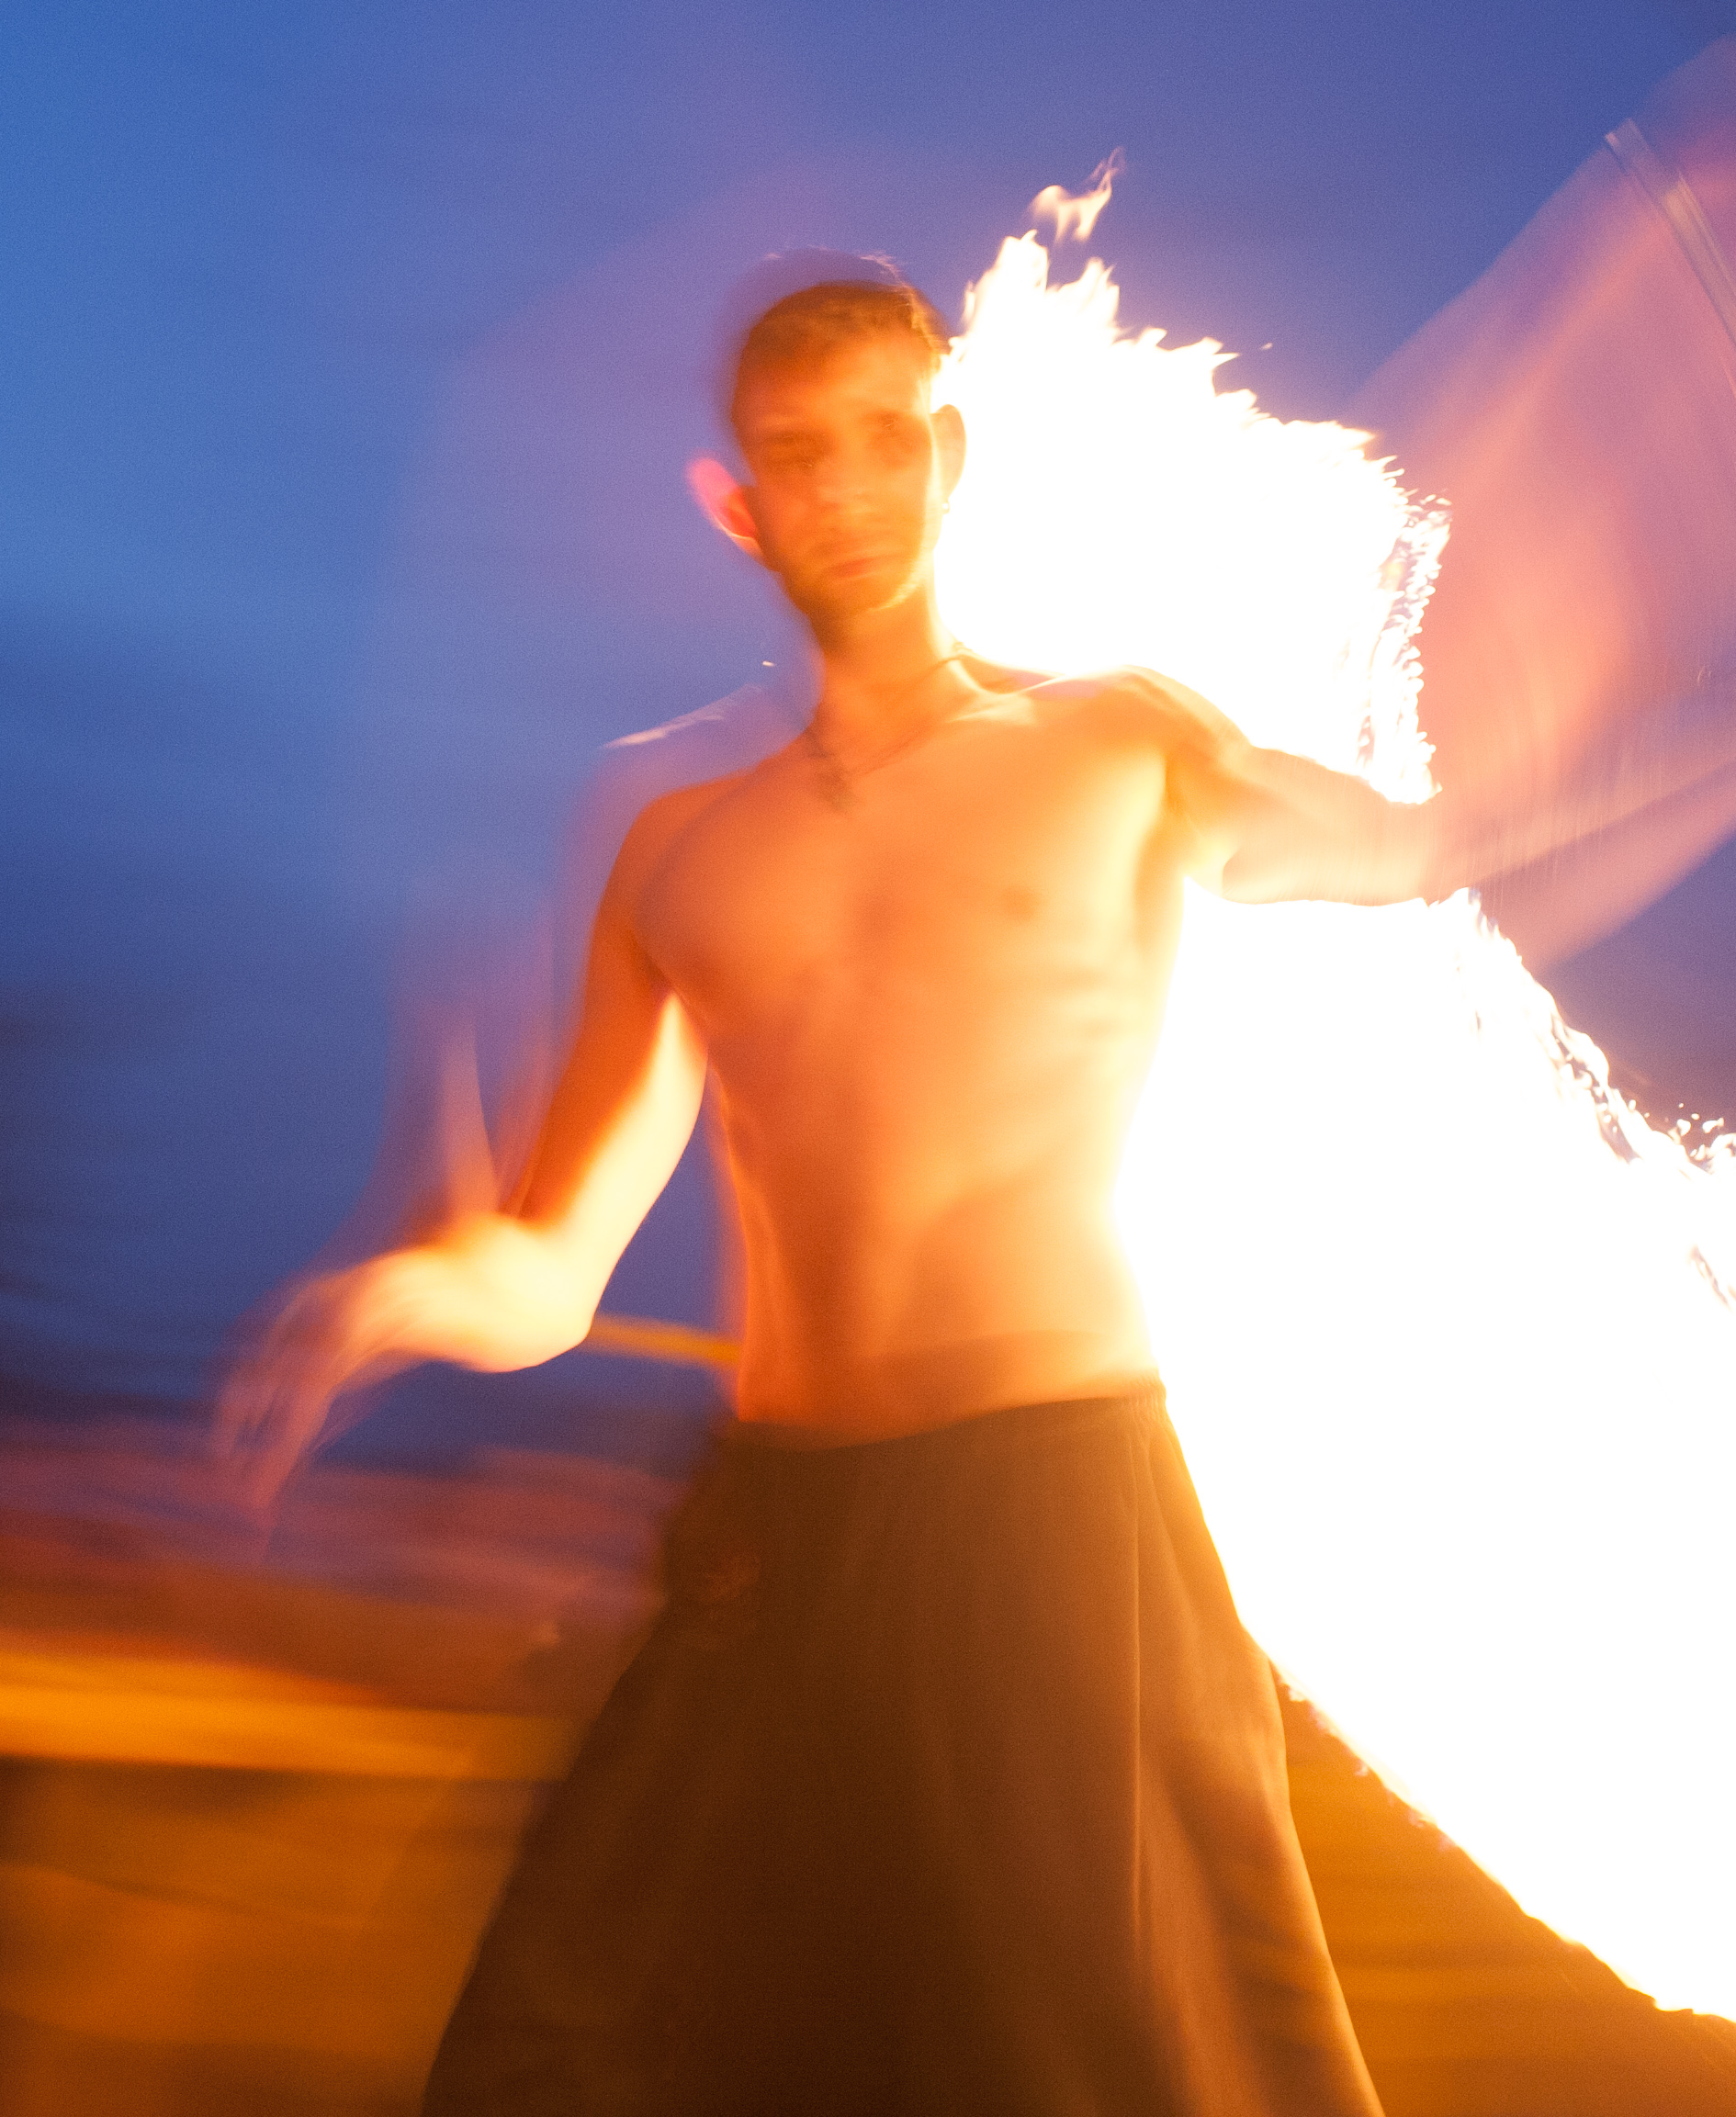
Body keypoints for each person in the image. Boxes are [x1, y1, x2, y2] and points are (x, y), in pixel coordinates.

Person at [222, 265, 1442, 2116]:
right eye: (800, 454)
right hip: (776, 1537)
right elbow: (555, 1270)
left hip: (1051, 1506)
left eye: (885, 439)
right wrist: (417, 1287)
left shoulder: (1114, 741)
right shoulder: (673, 839)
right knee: (575, 2053)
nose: (849, 488)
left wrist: (1701, 715)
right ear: (740, 504)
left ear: (948, 457)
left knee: (1116, 2065)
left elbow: (1406, 846)